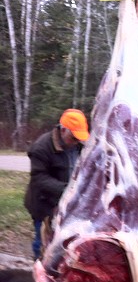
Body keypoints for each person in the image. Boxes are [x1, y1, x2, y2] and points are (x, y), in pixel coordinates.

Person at [24, 109, 90, 260]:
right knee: (43, 242)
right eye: (73, 138)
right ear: (63, 130)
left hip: (67, 203)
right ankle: (38, 271)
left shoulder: (79, 146)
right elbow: (39, 178)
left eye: (79, 138)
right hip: (44, 203)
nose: (76, 141)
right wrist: (68, 190)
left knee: (64, 241)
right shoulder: (41, 148)